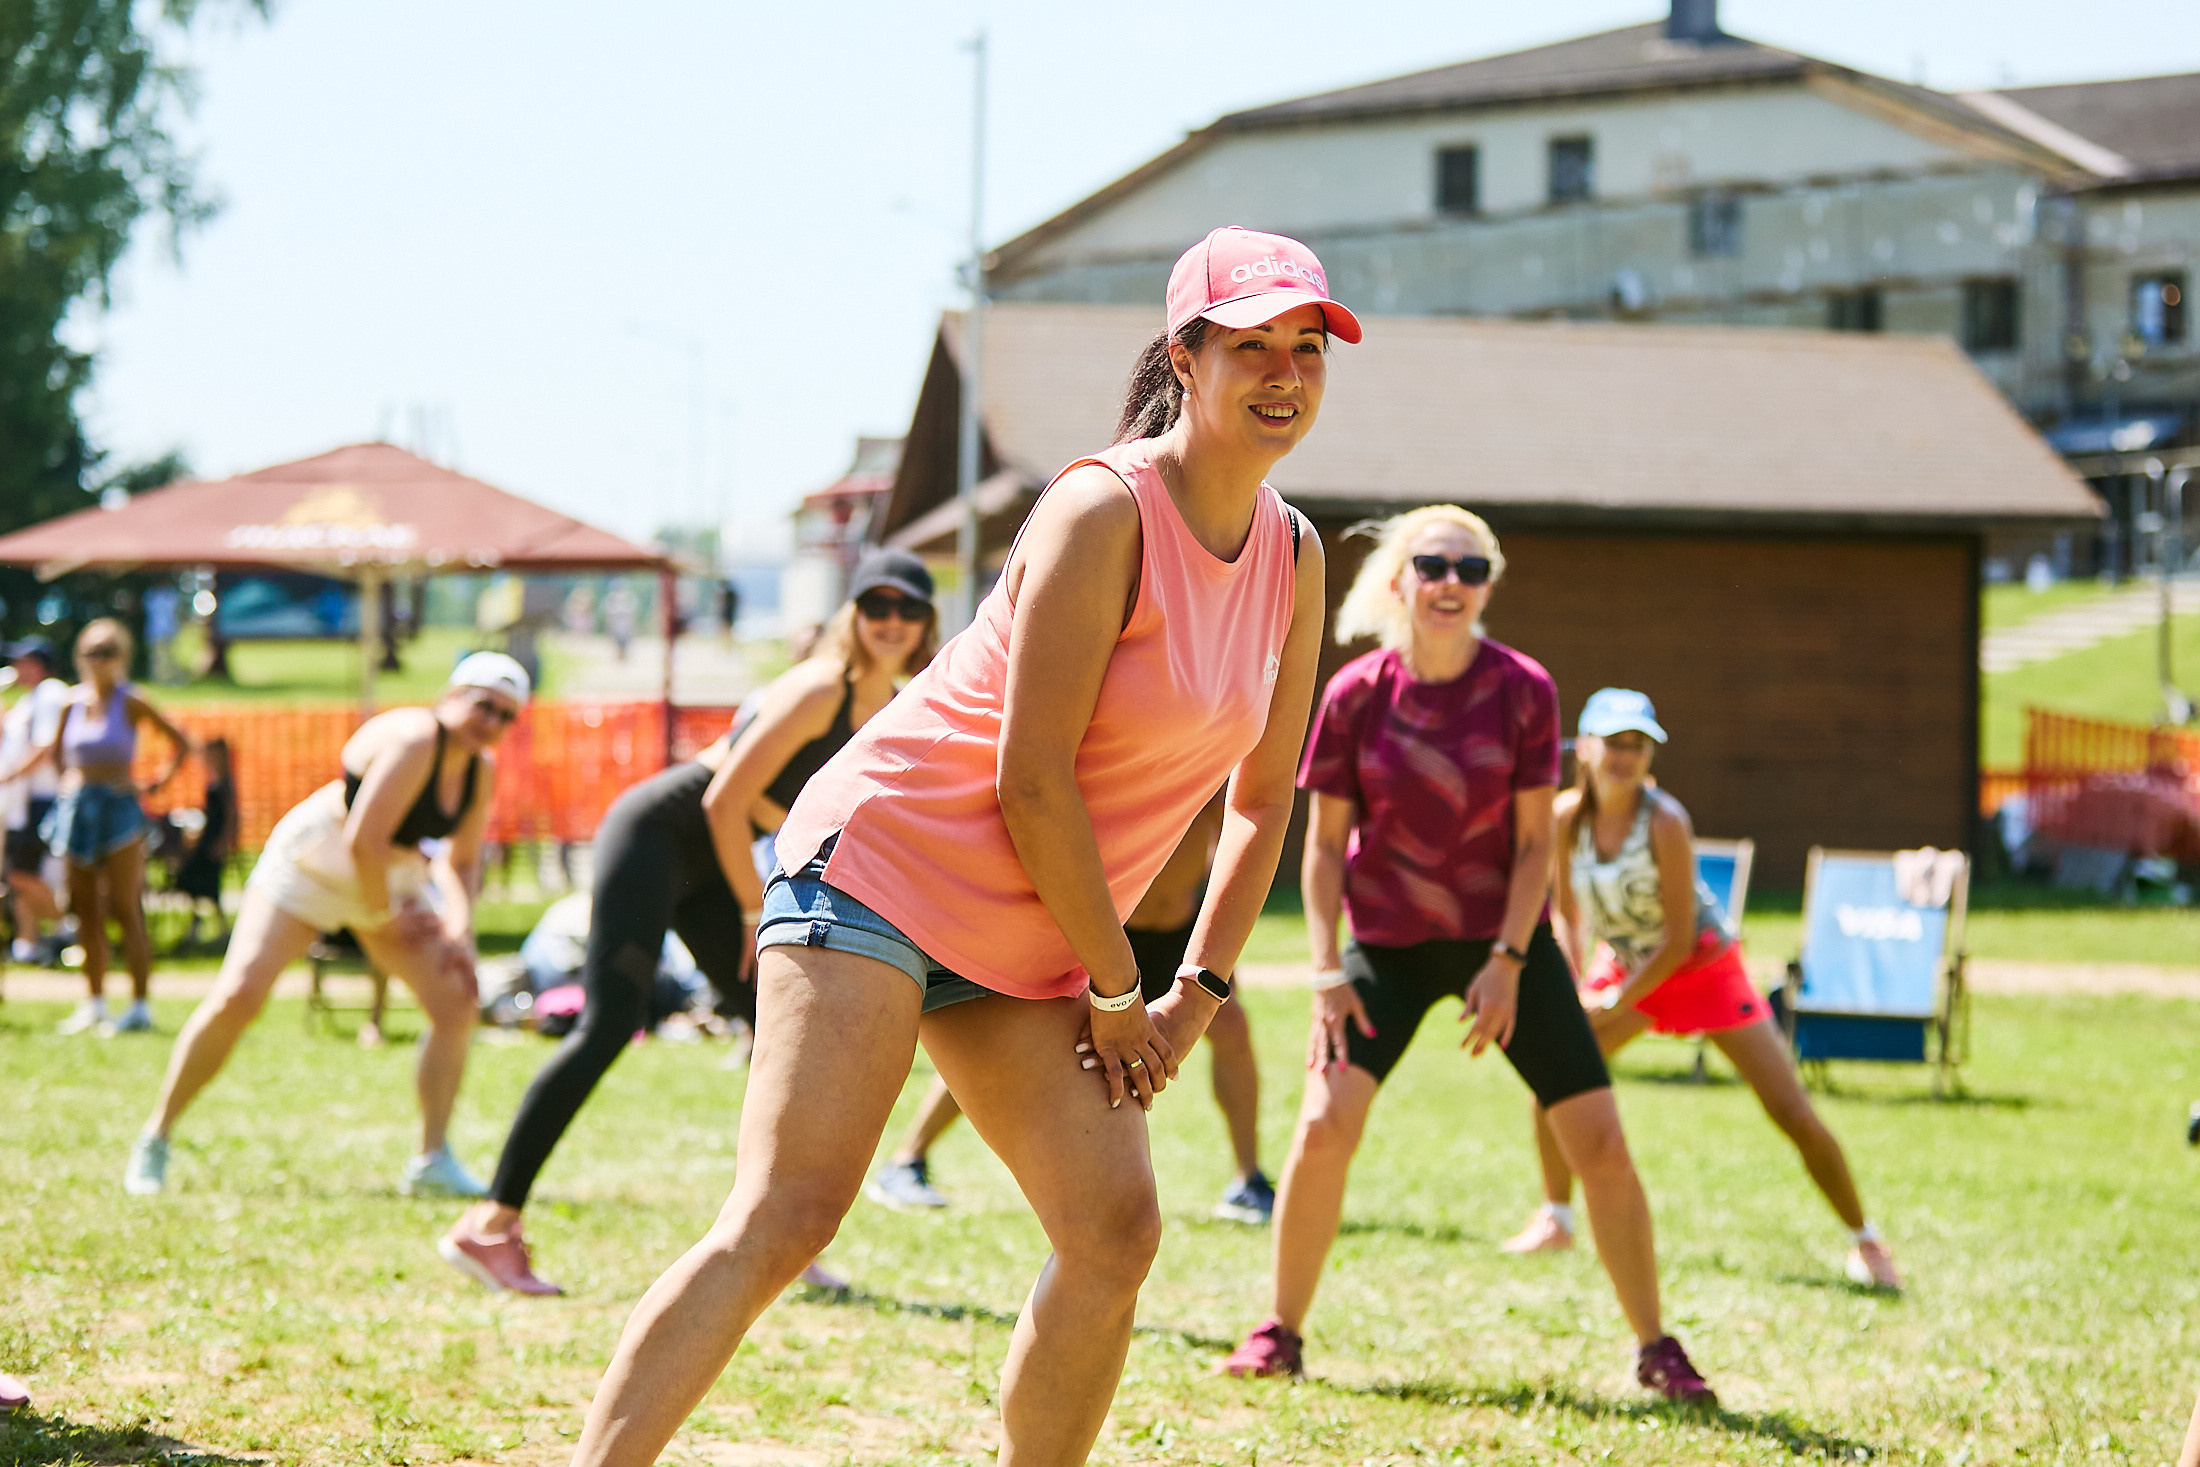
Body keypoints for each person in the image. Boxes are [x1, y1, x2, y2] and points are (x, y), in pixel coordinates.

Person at [556, 225, 1338, 1467]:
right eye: (1252, 346)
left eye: (1307, 346)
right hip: (883, 869)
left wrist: (1199, 992)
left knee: (1114, 1232)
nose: (1285, 372)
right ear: (1184, 359)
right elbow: (1032, 782)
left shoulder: (1294, 556)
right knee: (792, 1214)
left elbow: (1260, 799)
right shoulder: (1101, 507)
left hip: (1028, 932)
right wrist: (1120, 986)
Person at [1220, 507, 1716, 1404]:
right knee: (1323, 1126)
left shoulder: (1524, 687)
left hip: (1504, 945)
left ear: (1488, 583)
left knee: (1599, 1138)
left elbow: (1535, 847)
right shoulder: (1355, 693)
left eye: (1471, 567)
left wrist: (1508, 957)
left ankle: (1659, 1348)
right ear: (1401, 581)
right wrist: (1326, 968)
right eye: (1432, 563)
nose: (1451, 581)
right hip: (1384, 946)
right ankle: (1279, 1330)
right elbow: (1324, 848)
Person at [438, 551, 938, 1296]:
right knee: (608, 1024)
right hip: (659, 836)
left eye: (908, 608)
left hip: (716, 862)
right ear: (853, 615)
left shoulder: (889, 704)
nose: (891, 621)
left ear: (926, 622)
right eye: (877, 605)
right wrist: (752, 907)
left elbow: (793, 810)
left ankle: (778, 1234)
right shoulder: (816, 687)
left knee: (777, 1035)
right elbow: (724, 800)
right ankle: (487, 1225)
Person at [1496, 687, 1902, 1290]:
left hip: (1700, 968)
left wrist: (1615, 999)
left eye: (1638, 745)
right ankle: (1556, 1218)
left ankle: (1865, 1241)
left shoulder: (1665, 821)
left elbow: (1682, 939)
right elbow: (1567, 913)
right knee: (1554, 1073)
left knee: (1790, 1109)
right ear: (1584, 747)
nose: (1625, 756)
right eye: (1613, 742)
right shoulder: (1562, 817)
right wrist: (1577, 981)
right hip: (1627, 965)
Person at [123, 653, 527, 1198]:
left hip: (393, 876)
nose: (491, 722)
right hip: (318, 862)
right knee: (239, 995)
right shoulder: (413, 740)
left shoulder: (479, 769)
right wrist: (386, 916)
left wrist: (459, 927)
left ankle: (432, 1159)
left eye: (507, 716)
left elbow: (461, 862)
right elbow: (364, 840)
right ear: (452, 694)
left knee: (458, 1001)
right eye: (484, 705)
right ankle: (156, 1137)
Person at [867, 792, 1277, 1223]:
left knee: (1233, 1029)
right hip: (1113, 934)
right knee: (1006, 1041)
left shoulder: (1214, 753)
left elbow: (1236, 825)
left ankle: (1247, 1180)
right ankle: (906, 1160)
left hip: (1181, 928)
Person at [0, 620, 192, 1036]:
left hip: (120, 808)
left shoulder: (132, 700)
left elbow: (181, 741)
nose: (98, 661)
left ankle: (139, 1005)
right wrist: (67, 782)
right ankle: (95, 1003)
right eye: (91, 652)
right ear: (80, 657)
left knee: (125, 906)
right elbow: (53, 753)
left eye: (107, 652)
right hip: (78, 808)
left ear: (121, 656)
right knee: (84, 909)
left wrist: (153, 782)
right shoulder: (72, 703)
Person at [0, 638, 69, 967]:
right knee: (18, 876)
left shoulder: (51, 693)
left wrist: (7, 776)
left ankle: (67, 929)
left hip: (44, 799)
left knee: (21, 875)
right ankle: (27, 945)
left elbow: (44, 747)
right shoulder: (30, 700)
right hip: (22, 804)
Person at [174, 736, 236, 946]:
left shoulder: (226, 782)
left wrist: (224, 842)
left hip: (215, 841)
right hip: (207, 838)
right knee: (191, 878)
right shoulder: (214, 778)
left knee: (211, 886)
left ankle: (223, 929)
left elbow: (230, 815)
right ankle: (196, 925)